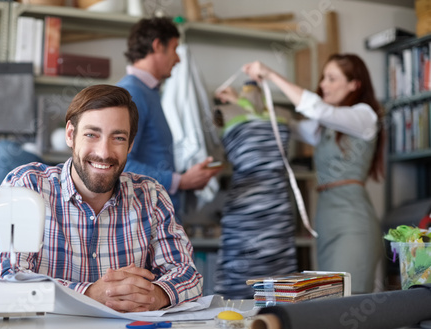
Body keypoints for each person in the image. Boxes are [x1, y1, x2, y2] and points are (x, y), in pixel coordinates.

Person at [0, 84, 203, 312]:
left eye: (118, 138)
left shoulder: (151, 195)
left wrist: (156, 295)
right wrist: (89, 294)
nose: (104, 152)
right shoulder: (26, 187)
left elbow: (187, 273)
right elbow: (4, 279)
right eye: (92, 134)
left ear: (130, 144)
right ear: (70, 135)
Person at [238, 54, 385, 294]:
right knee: (327, 300)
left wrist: (271, 74)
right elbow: (286, 124)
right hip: (325, 220)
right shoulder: (325, 127)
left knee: (348, 299)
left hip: (352, 221)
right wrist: (241, 104)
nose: (323, 84)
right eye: (323, 78)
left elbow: (316, 108)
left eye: (332, 78)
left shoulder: (364, 116)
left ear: (354, 84)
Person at [116, 17, 222, 214]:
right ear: (157, 46)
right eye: (174, 48)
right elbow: (119, 163)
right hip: (143, 218)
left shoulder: (149, 93)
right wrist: (180, 181)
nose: (179, 59)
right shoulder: (132, 94)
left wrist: (187, 179)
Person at [214, 80, 297, 299]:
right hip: (244, 212)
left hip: (279, 212)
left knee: (280, 290)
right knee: (239, 286)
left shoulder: (284, 113)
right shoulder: (224, 112)